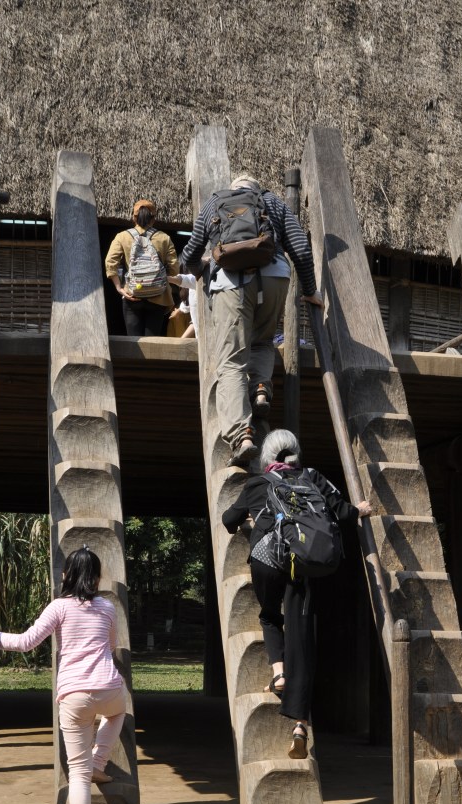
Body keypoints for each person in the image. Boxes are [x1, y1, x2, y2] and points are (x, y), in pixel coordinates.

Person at [222, 430, 372, 758]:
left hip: (265, 559)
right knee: (302, 637)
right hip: (300, 564)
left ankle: (278, 672)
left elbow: (228, 519)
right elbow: (340, 510)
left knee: (269, 615)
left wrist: (246, 519)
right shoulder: (311, 477)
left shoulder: (259, 482)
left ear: (268, 458)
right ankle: (300, 725)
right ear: (296, 453)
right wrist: (360, 509)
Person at [0, 547, 127, 804]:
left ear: (65, 575)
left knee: (76, 773)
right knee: (118, 713)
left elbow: (26, 642)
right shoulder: (107, 607)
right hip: (108, 687)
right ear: (96, 578)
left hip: (73, 694)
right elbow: (111, 647)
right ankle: (100, 760)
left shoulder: (59, 607)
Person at [181, 176, 324, 468]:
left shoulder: (214, 203)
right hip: (275, 278)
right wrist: (310, 291)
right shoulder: (274, 202)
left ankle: (241, 435)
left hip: (231, 283)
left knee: (232, 361)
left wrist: (200, 272)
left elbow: (191, 252)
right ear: (256, 188)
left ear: (234, 188)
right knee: (262, 340)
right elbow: (301, 249)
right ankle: (260, 388)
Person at [105, 199, 179, 337]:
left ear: (134, 217)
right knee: (152, 342)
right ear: (153, 218)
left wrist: (119, 288)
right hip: (158, 296)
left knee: (134, 343)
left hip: (132, 294)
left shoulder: (122, 237)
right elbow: (174, 267)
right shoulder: (164, 238)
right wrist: (159, 280)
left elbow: (110, 262)